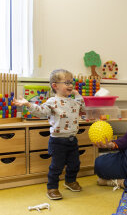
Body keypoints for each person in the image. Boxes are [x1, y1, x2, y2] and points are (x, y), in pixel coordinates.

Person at [13, 69, 85, 200]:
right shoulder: (52, 101)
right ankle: (52, 188)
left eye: (71, 82)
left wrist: (78, 95)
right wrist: (28, 104)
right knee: (56, 166)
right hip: (58, 142)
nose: (70, 85)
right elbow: (41, 112)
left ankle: (70, 181)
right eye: (67, 82)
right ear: (55, 86)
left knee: (75, 164)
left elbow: (82, 107)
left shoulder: (73, 101)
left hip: (72, 140)